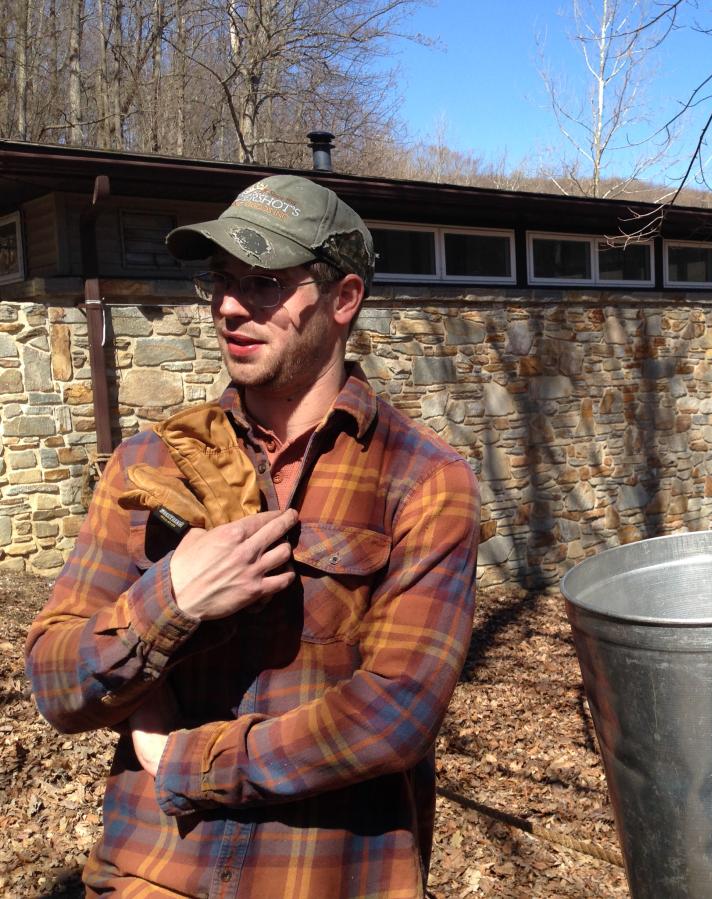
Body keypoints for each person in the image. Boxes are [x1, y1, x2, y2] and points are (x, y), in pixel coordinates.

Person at [25, 174, 480, 898]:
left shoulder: (422, 481)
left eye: (265, 282)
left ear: (344, 299)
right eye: (222, 279)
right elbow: (54, 681)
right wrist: (170, 598)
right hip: (150, 878)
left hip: (325, 880)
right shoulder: (151, 464)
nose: (230, 306)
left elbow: (393, 714)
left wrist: (187, 760)